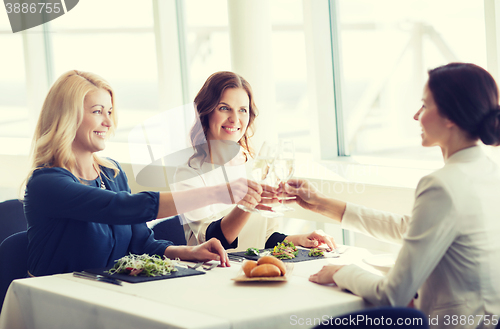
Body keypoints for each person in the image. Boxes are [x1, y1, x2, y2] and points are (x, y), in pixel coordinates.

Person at [282, 63, 500, 327]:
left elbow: (393, 295)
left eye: (425, 105)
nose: (416, 116)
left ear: (450, 117)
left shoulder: (442, 184)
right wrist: (321, 204)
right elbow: (409, 228)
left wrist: (342, 272)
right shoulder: (488, 173)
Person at [23, 70, 264, 276]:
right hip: (58, 301)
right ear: (67, 117)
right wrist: (216, 193)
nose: (108, 122)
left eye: (109, 111)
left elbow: (141, 242)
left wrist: (188, 252)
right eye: (97, 111)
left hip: (108, 294)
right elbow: (120, 207)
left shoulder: (112, 174)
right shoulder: (45, 184)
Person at [173, 71, 336, 252]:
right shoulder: (188, 174)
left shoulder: (256, 167)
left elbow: (265, 238)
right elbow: (211, 242)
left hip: (251, 272)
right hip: (210, 273)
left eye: (243, 110)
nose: (235, 119)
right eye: (224, 108)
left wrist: (301, 239)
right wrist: (246, 205)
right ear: (206, 112)